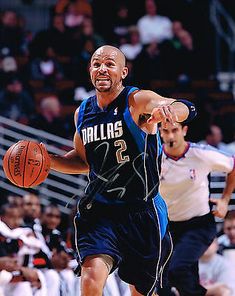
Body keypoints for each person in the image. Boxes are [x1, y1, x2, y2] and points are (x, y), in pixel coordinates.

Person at [46, 45, 196, 296]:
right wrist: (50, 161)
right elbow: (84, 161)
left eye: (109, 64)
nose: (102, 68)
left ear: (123, 72)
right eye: (96, 64)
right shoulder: (82, 113)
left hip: (142, 212)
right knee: (91, 279)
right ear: (90, 71)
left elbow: (185, 107)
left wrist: (171, 111)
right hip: (100, 210)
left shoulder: (136, 100)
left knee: (141, 292)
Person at [159, 121, 235, 296]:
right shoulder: (154, 158)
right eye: (166, 131)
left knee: (177, 270)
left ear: (184, 131)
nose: (171, 136)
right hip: (168, 226)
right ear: (160, 133)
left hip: (198, 224)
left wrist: (224, 200)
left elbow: (232, 165)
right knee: (160, 283)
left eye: (175, 130)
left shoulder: (200, 153)